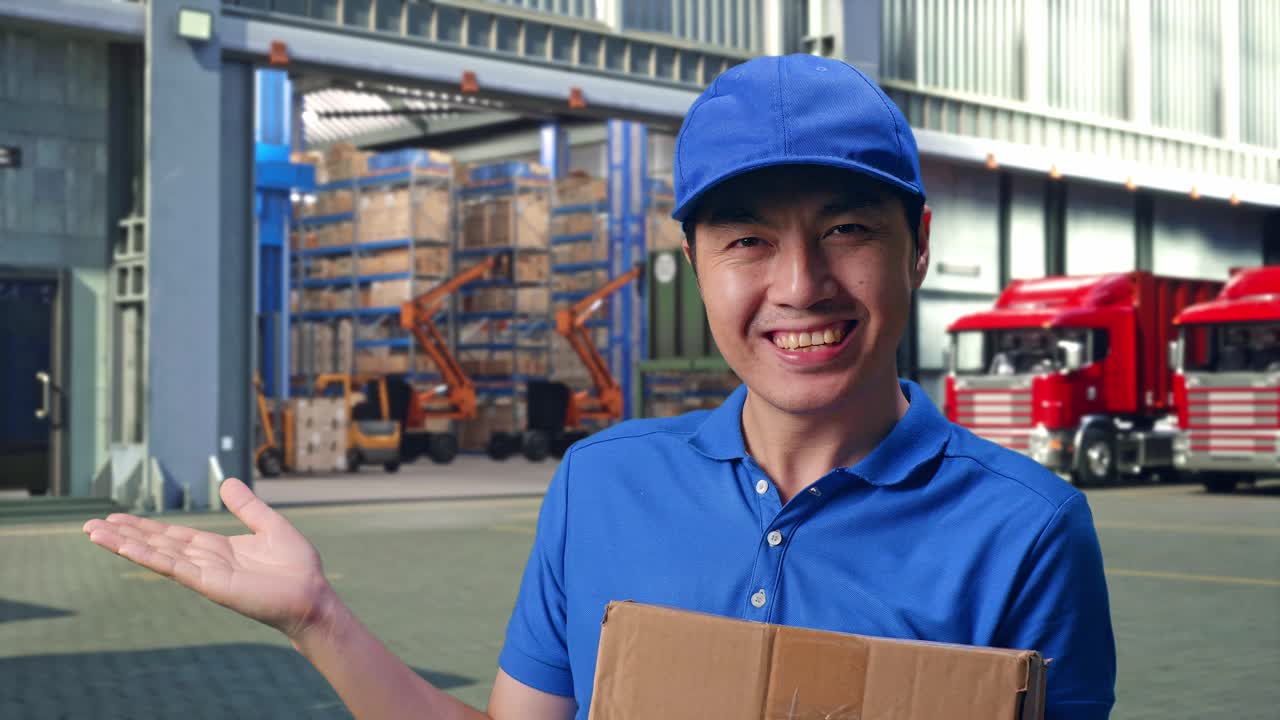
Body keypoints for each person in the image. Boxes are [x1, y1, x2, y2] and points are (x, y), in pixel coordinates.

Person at [84, 55, 1116, 719]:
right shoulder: (601, 485)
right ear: (693, 262)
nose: (800, 285)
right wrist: (319, 618)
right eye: (747, 240)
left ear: (917, 246)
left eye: (846, 229)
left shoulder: (1025, 534)